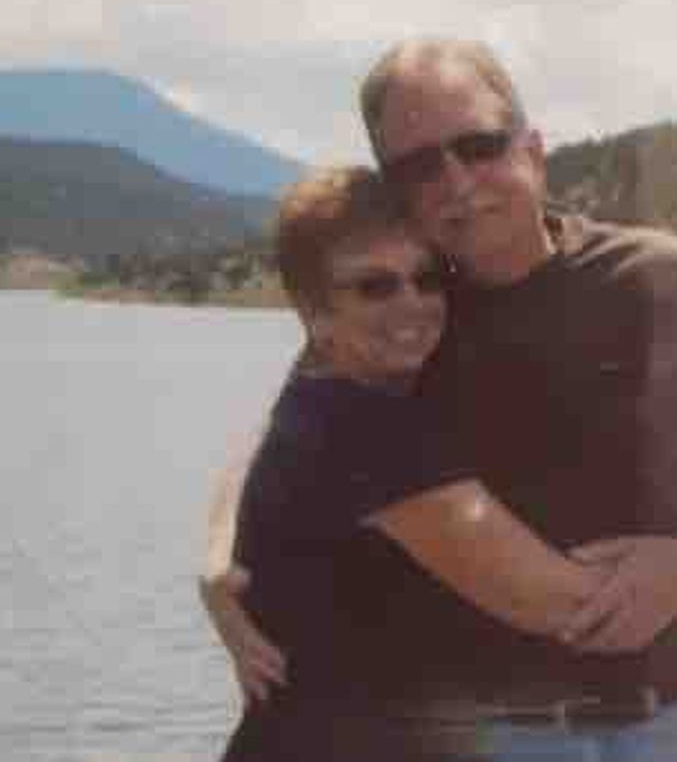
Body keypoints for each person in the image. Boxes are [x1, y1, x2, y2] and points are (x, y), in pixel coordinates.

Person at [206, 38, 677, 761]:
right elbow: (295, 427)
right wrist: (219, 562)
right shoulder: (406, 309)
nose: (457, 181)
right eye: (419, 167)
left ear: (532, 148)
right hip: (503, 735)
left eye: (479, 146)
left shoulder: (651, 279)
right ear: (397, 191)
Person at [209, 165, 612, 761]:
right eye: (375, 286)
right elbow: (560, 604)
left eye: (427, 279)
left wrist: (215, 557)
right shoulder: (367, 430)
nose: (412, 304)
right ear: (315, 313)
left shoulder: (325, 399)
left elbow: (259, 444)